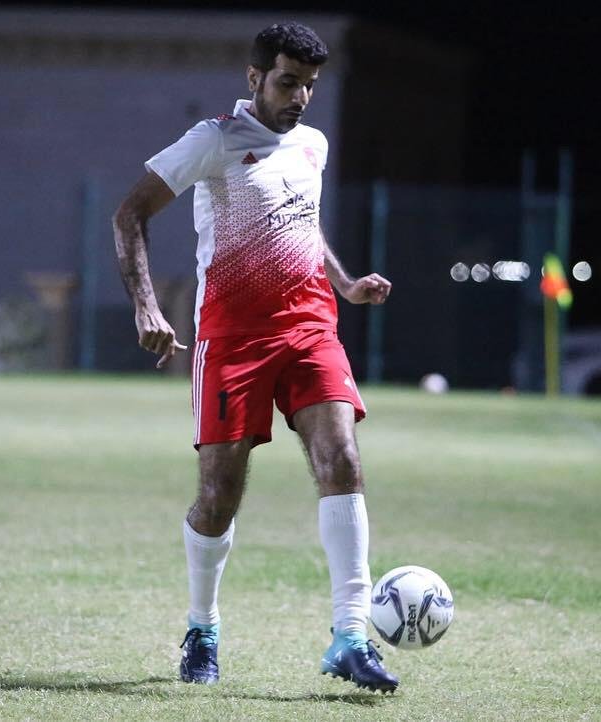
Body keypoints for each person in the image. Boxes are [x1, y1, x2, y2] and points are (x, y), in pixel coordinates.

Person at [112, 22, 397, 692]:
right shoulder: (214, 140)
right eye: (288, 82)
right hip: (233, 339)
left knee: (342, 458)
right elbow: (130, 215)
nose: (300, 97)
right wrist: (146, 307)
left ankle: (351, 635)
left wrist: (344, 284)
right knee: (219, 496)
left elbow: (304, 221)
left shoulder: (312, 145)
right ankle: (202, 626)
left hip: (310, 328)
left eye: (310, 86)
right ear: (255, 78)